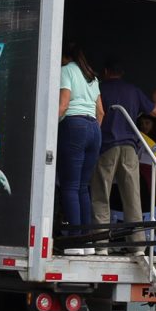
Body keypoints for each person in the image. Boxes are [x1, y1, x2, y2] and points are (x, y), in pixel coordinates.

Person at [93, 57, 156, 227]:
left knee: (101, 195)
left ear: (106, 72)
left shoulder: (99, 89)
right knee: (132, 198)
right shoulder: (133, 90)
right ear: (122, 73)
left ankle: (101, 244)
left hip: (106, 147)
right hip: (130, 149)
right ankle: (137, 245)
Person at [56, 43, 103, 235]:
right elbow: (101, 112)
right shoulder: (92, 76)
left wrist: (49, 128)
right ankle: (86, 240)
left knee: (69, 186)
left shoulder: (66, 70)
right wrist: (90, 131)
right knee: (83, 187)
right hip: (94, 129)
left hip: (74, 126)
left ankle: (74, 240)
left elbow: (64, 105)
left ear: (64, 56)